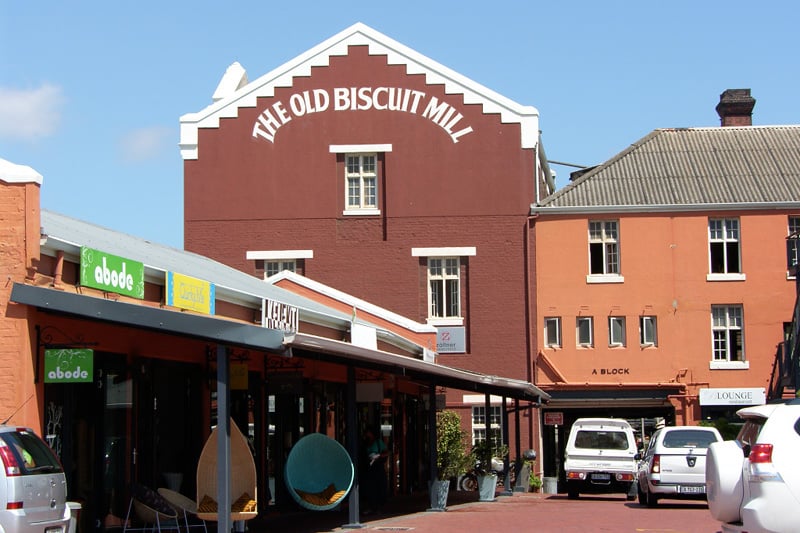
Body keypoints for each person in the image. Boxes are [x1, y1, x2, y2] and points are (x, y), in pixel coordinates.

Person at [363, 427, 388, 515]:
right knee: (370, 488)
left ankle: (379, 507)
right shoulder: (365, 443)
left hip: (378, 467)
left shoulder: (378, 442)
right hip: (368, 468)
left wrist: (378, 456)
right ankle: (371, 506)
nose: (367, 435)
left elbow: (386, 452)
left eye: (368, 433)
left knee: (379, 487)